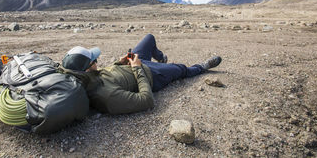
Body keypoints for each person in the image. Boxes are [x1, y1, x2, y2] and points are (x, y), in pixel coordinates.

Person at [60, 34, 222, 115]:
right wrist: (137, 67)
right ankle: (201, 67)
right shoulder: (105, 96)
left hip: (135, 63)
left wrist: (120, 62)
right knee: (180, 69)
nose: (97, 61)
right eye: (94, 60)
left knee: (149, 38)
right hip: (151, 74)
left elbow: (106, 74)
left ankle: (161, 58)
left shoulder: (88, 76)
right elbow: (147, 100)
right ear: (88, 68)